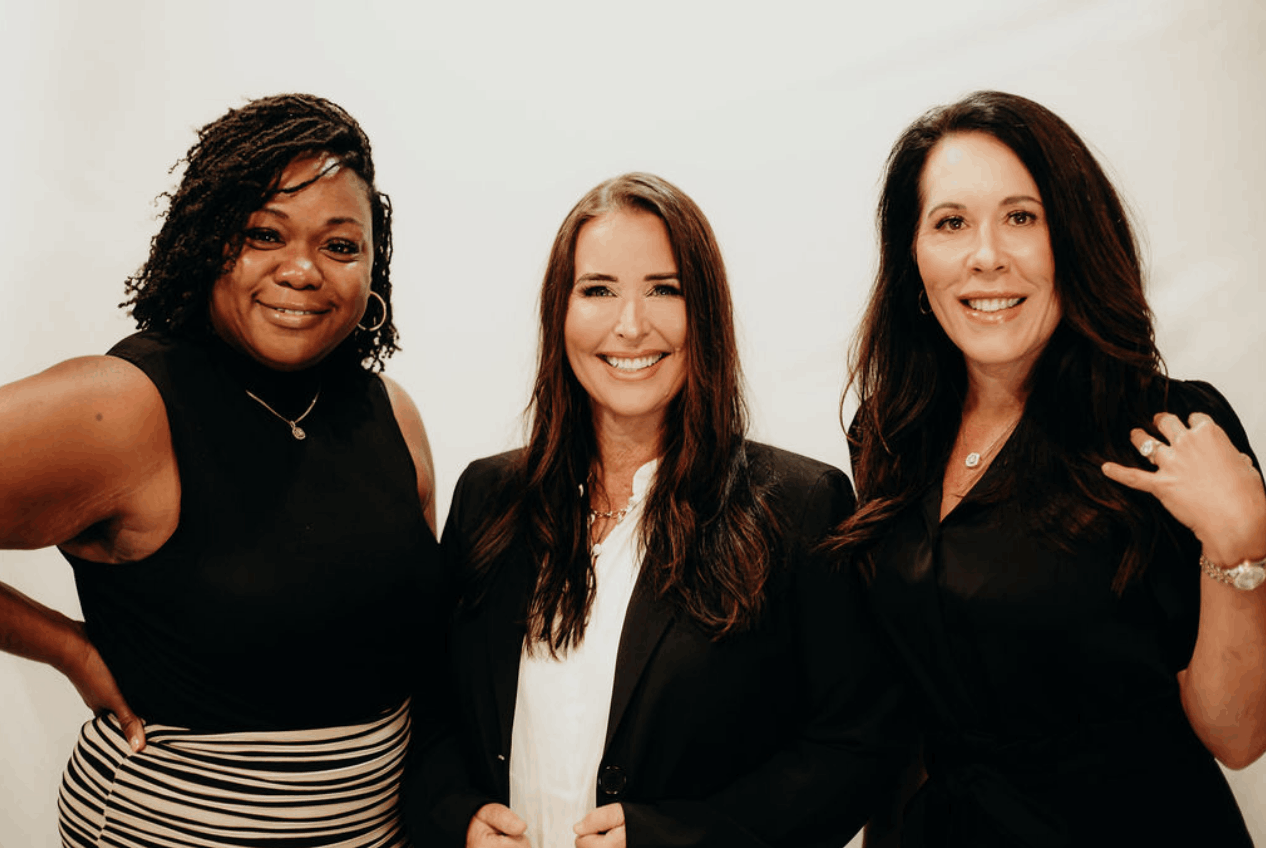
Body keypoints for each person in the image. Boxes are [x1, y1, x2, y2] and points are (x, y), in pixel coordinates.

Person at [407, 173, 906, 848]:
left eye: (664, 289)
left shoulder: (799, 506)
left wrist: (679, 839)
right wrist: (455, 816)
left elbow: (854, 748)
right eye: (599, 290)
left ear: (704, 310)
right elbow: (431, 708)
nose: (631, 324)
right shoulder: (488, 497)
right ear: (561, 311)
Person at [0, 94, 443, 847]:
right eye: (264, 234)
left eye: (340, 246)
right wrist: (68, 649)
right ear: (206, 241)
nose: (302, 270)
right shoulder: (129, 406)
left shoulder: (388, 413)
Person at [834, 90, 1266, 847]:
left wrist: (1241, 541)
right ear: (912, 256)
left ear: (1075, 236)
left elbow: (1237, 737)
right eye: (951, 222)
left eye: (1022, 217)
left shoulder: (1165, 430)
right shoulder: (891, 434)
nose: (987, 255)